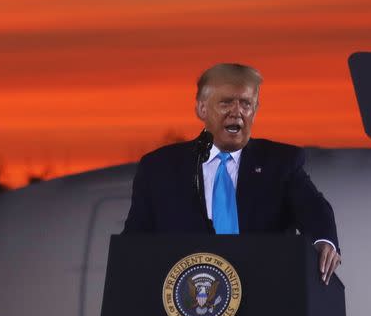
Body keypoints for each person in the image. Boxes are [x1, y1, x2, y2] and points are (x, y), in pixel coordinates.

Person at [122, 63, 341, 284]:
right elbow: (134, 242)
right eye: (226, 102)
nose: (237, 112)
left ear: (255, 111)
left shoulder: (280, 162)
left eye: (246, 104)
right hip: (185, 300)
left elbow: (314, 209)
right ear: (202, 109)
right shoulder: (159, 167)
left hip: (263, 292)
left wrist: (324, 242)